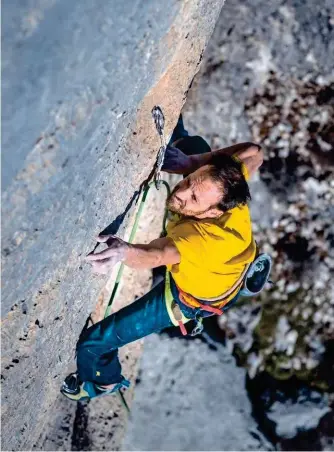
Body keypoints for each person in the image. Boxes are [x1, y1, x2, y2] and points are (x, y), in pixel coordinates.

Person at [61, 116, 263, 401]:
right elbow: (255, 151)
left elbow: (157, 255)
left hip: (186, 298)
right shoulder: (223, 186)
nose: (182, 192)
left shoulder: (201, 239)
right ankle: (182, 148)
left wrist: (123, 251)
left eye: (193, 199)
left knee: (93, 344)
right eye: (191, 182)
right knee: (195, 146)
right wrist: (190, 163)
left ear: (213, 213)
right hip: (220, 271)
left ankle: (102, 383)